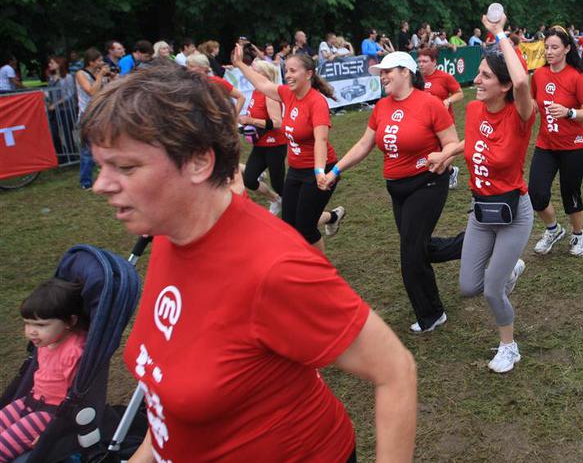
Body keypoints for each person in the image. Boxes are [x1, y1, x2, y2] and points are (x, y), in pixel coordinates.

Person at [80, 64, 416, 462]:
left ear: (198, 162)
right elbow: (166, 399)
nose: (101, 184)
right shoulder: (171, 234)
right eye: (101, 166)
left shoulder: (274, 266)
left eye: (126, 167)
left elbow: (395, 370)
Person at [319, 52, 464, 332]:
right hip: (397, 188)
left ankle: (431, 314)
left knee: (410, 254)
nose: (382, 76)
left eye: (387, 71)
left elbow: (451, 143)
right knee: (417, 247)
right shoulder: (381, 107)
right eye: (381, 73)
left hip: (427, 183)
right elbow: (364, 144)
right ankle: (476, 245)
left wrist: (443, 158)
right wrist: (335, 171)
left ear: (405, 72)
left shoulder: (430, 104)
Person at [427, 13, 536, 373]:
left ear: (504, 86)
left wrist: (499, 33)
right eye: (479, 74)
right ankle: (509, 269)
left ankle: (509, 347)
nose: (476, 80)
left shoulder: (521, 115)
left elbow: (522, 81)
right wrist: (447, 154)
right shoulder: (474, 109)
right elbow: (472, 142)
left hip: (513, 213)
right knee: (468, 286)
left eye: (486, 76)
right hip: (481, 211)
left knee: (492, 290)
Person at [231, 45, 344, 250]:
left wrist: (319, 171)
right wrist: (239, 63)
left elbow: (320, 140)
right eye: (286, 70)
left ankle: (319, 268)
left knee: (306, 228)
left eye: (293, 71)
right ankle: (333, 217)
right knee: (290, 224)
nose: (288, 75)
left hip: (319, 171)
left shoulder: (317, 102)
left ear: (308, 74)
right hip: (296, 170)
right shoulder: (287, 94)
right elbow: (262, 83)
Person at [0, 279, 87, 463]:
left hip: (50, 414)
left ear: (70, 321)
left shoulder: (75, 352)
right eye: (27, 323)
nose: (31, 332)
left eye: (41, 325)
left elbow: (80, 397)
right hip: (30, 401)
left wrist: (52, 432)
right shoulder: (46, 341)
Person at [529, 26, 583, 257]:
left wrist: (569, 112)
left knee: (571, 194)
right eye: (546, 47)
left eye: (554, 47)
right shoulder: (538, 75)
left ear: (566, 49)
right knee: (536, 193)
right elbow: (533, 103)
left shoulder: (576, 77)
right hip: (545, 145)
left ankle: (578, 235)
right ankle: (553, 229)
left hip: (574, 147)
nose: (549, 51)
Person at [238, 59, 288, 215]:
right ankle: (276, 200)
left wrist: (251, 121)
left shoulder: (270, 94)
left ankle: (294, 209)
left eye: (255, 71)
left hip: (275, 145)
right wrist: (245, 126)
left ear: (265, 75)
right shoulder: (256, 91)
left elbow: (277, 123)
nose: (251, 74)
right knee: (249, 179)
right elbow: (257, 117)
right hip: (260, 145)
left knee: (279, 185)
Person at [418, 47, 464, 189]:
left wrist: (448, 101)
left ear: (434, 62)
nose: (421, 64)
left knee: (446, 149)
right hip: (424, 121)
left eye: (425, 61)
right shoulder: (416, 79)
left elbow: (460, 93)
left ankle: (440, 174)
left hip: (444, 121)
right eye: (419, 61)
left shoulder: (444, 77)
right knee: (431, 150)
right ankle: (451, 172)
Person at [75, 48, 110, 189]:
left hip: (101, 113)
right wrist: (100, 76)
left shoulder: (100, 73)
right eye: (99, 60)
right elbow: (91, 91)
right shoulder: (81, 74)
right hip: (87, 116)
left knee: (106, 144)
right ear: (91, 62)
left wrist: (110, 77)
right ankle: (86, 182)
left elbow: (106, 90)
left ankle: (106, 175)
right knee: (87, 150)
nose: (101, 63)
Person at [44, 56, 78, 160]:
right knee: (53, 132)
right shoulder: (51, 78)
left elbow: (70, 93)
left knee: (67, 133)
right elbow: (50, 92)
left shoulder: (67, 77)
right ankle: (61, 155)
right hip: (54, 110)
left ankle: (72, 155)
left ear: (59, 64)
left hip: (66, 109)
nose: (49, 65)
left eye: (52, 63)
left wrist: (56, 104)